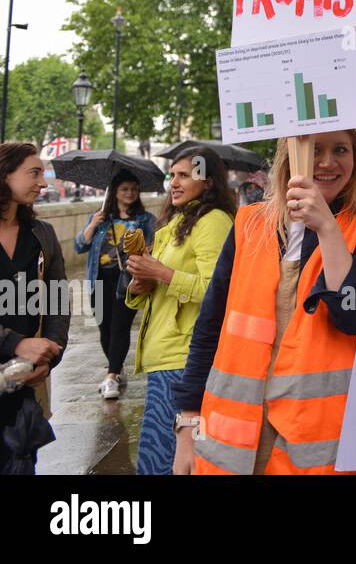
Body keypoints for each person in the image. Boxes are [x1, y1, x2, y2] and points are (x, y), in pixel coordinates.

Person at [171, 130, 356, 474]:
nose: (328, 162)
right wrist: (187, 426)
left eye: (341, 150)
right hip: (240, 439)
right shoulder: (249, 223)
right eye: (314, 149)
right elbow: (210, 325)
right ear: (289, 156)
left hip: (320, 444)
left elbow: (353, 315)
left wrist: (328, 229)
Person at [124, 148, 235, 474]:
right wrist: (138, 286)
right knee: (163, 458)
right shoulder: (177, 220)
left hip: (184, 358)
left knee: (172, 462)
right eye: (172, 175)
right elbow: (160, 289)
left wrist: (160, 273)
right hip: (166, 356)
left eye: (184, 175)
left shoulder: (213, 221)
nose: (174, 182)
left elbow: (218, 291)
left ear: (209, 181)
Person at [0, 143, 68, 473]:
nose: (43, 183)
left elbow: (58, 300)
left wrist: (51, 355)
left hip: (22, 387)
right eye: (34, 173)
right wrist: (15, 342)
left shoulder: (43, 234)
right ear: (4, 175)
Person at [73, 170, 156, 400]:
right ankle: (117, 369)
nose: (130, 193)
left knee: (120, 327)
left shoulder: (145, 219)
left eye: (134, 189)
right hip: (98, 279)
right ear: (115, 192)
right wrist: (92, 225)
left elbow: (154, 246)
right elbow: (79, 246)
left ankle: (111, 377)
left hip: (127, 280)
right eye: (124, 189)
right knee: (104, 327)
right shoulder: (100, 217)